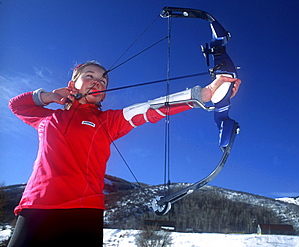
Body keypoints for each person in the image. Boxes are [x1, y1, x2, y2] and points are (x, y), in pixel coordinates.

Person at [7, 61, 241, 246]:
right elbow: (16, 105)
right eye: (90, 76)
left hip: (84, 212)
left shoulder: (107, 121)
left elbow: (149, 109)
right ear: (72, 83)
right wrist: (47, 96)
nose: (97, 81)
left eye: (103, 80)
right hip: (37, 208)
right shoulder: (48, 118)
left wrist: (204, 94)